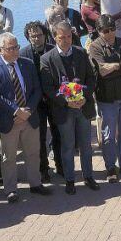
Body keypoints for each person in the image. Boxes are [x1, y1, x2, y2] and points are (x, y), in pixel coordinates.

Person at [0, 33, 49, 202]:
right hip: (7, 120)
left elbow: (37, 89)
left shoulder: (27, 64)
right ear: (0, 50)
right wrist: (16, 111)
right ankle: (11, 189)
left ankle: (36, 184)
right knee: (8, 157)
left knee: (33, 153)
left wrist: (27, 109)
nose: (15, 51)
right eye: (10, 48)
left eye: (16, 47)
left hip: (29, 117)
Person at [41, 21, 99, 195]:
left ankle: (88, 176)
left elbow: (91, 79)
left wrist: (83, 96)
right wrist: (67, 101)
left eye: (68, 36)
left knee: (86, 146)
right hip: (64, 110)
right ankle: (70, 180)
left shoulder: (81, 53)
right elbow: (48, 88)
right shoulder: (47, 59)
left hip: (83, 107)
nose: (65, 40)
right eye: (61, 37)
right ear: (54, 37)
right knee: (67, 146)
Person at [88, 15, 121, 183]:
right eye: (105, 31)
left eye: (112, 29)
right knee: (109, 135)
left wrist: (116, 66)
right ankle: (111, 167)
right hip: (107, 100)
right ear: (98, 31)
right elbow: (102, 72)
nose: (110, 33)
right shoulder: (95, 47)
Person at [21, 21, 61, 183]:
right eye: (33, 36)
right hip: (35, 103)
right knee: (40, 137)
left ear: (45, 35)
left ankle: (61, 166)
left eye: (39, 35)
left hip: (54, 100)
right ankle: (43, 169)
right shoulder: (23, 54)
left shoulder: (54, 50)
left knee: (58, 134)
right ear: (28, 38)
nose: (36, 39)